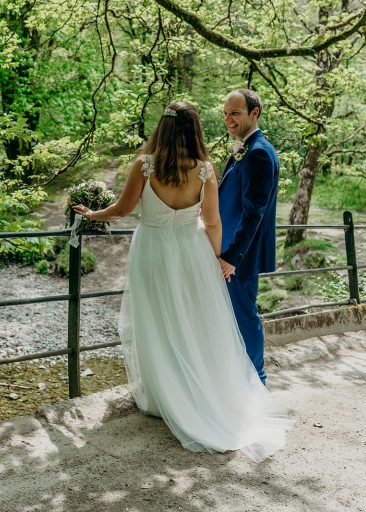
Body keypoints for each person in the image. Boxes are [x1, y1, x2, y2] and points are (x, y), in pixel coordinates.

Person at [72, 101, 292, 462]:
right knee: (190, 319)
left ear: (163, 129)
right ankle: (191, 390)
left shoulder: (144, 166)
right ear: (195, 131)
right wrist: (219, 260)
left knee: (155, 319)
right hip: (191, 251)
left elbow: (124, 209)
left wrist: (93, 213)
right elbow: (214, 222)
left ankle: (163, 397)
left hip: (153, 249)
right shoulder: (205, 170)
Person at [218, 89, 279, 385]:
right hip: (230, 248)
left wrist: (232, 257)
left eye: (235, 113)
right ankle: (238, 379)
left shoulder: (258, 154)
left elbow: (253, 212)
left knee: (245, 317)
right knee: (233, 316)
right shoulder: (245, 147)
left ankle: (257, 381)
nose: (229, 119)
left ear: (255, 113)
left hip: (240, 253)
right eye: (226, 113)